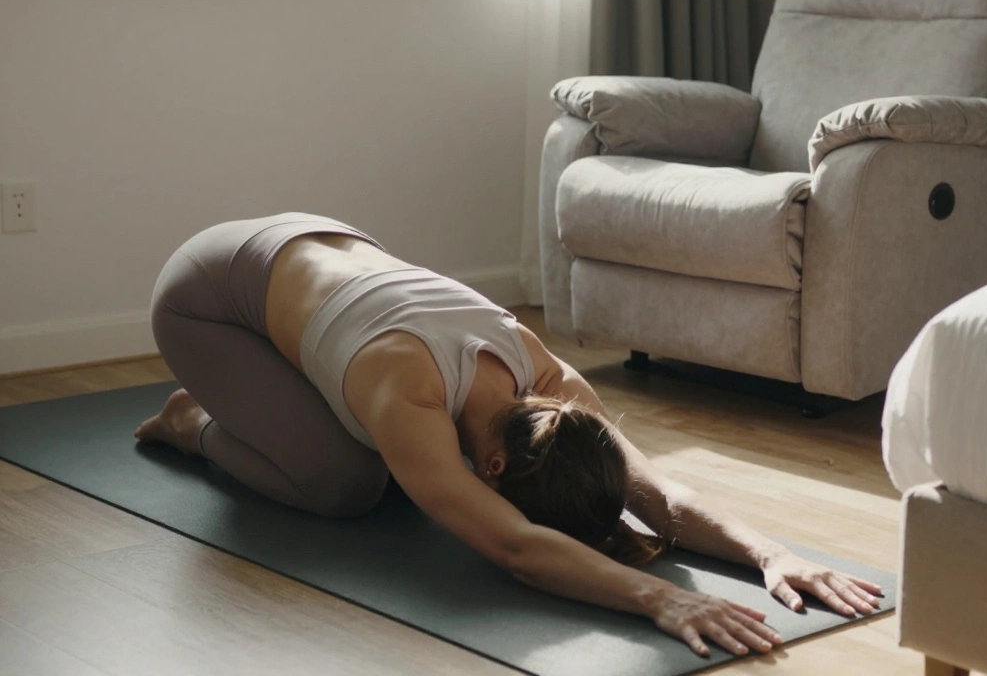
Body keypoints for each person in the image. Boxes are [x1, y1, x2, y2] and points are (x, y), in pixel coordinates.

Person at [136, 213, 882, 657]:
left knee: (396, 470)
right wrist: (663, 601)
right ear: (491, 465)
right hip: (208, 295)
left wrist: (771, 553)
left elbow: (653, 490)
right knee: (347, 485)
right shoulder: (407, 391)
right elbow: (518, 550)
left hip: (314, 246)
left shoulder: (558, 390)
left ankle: (262, 401)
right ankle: (193, 423)